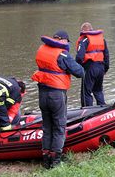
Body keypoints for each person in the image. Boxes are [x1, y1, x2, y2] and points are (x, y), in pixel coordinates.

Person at [31, 30, 84, 169]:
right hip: (56, 95)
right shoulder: (62, 54)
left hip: (42, 94)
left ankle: (46, 159)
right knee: (59, 127)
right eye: (67, 41)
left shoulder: (42, 50)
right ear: (61, 40)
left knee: (47, 127)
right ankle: (56, 161)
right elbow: (80, 72)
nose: (67, 44)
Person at [76, 22, 109, 107]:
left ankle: (87, 112)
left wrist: (79, 68)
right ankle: (102, 109)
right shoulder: (102, 39)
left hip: (90, 67)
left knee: (86, 92)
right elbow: (106, 55)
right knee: (98, 90)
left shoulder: (84, 40)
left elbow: (79, 57)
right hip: (101, 67)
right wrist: (105, 69)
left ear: (83, 31)